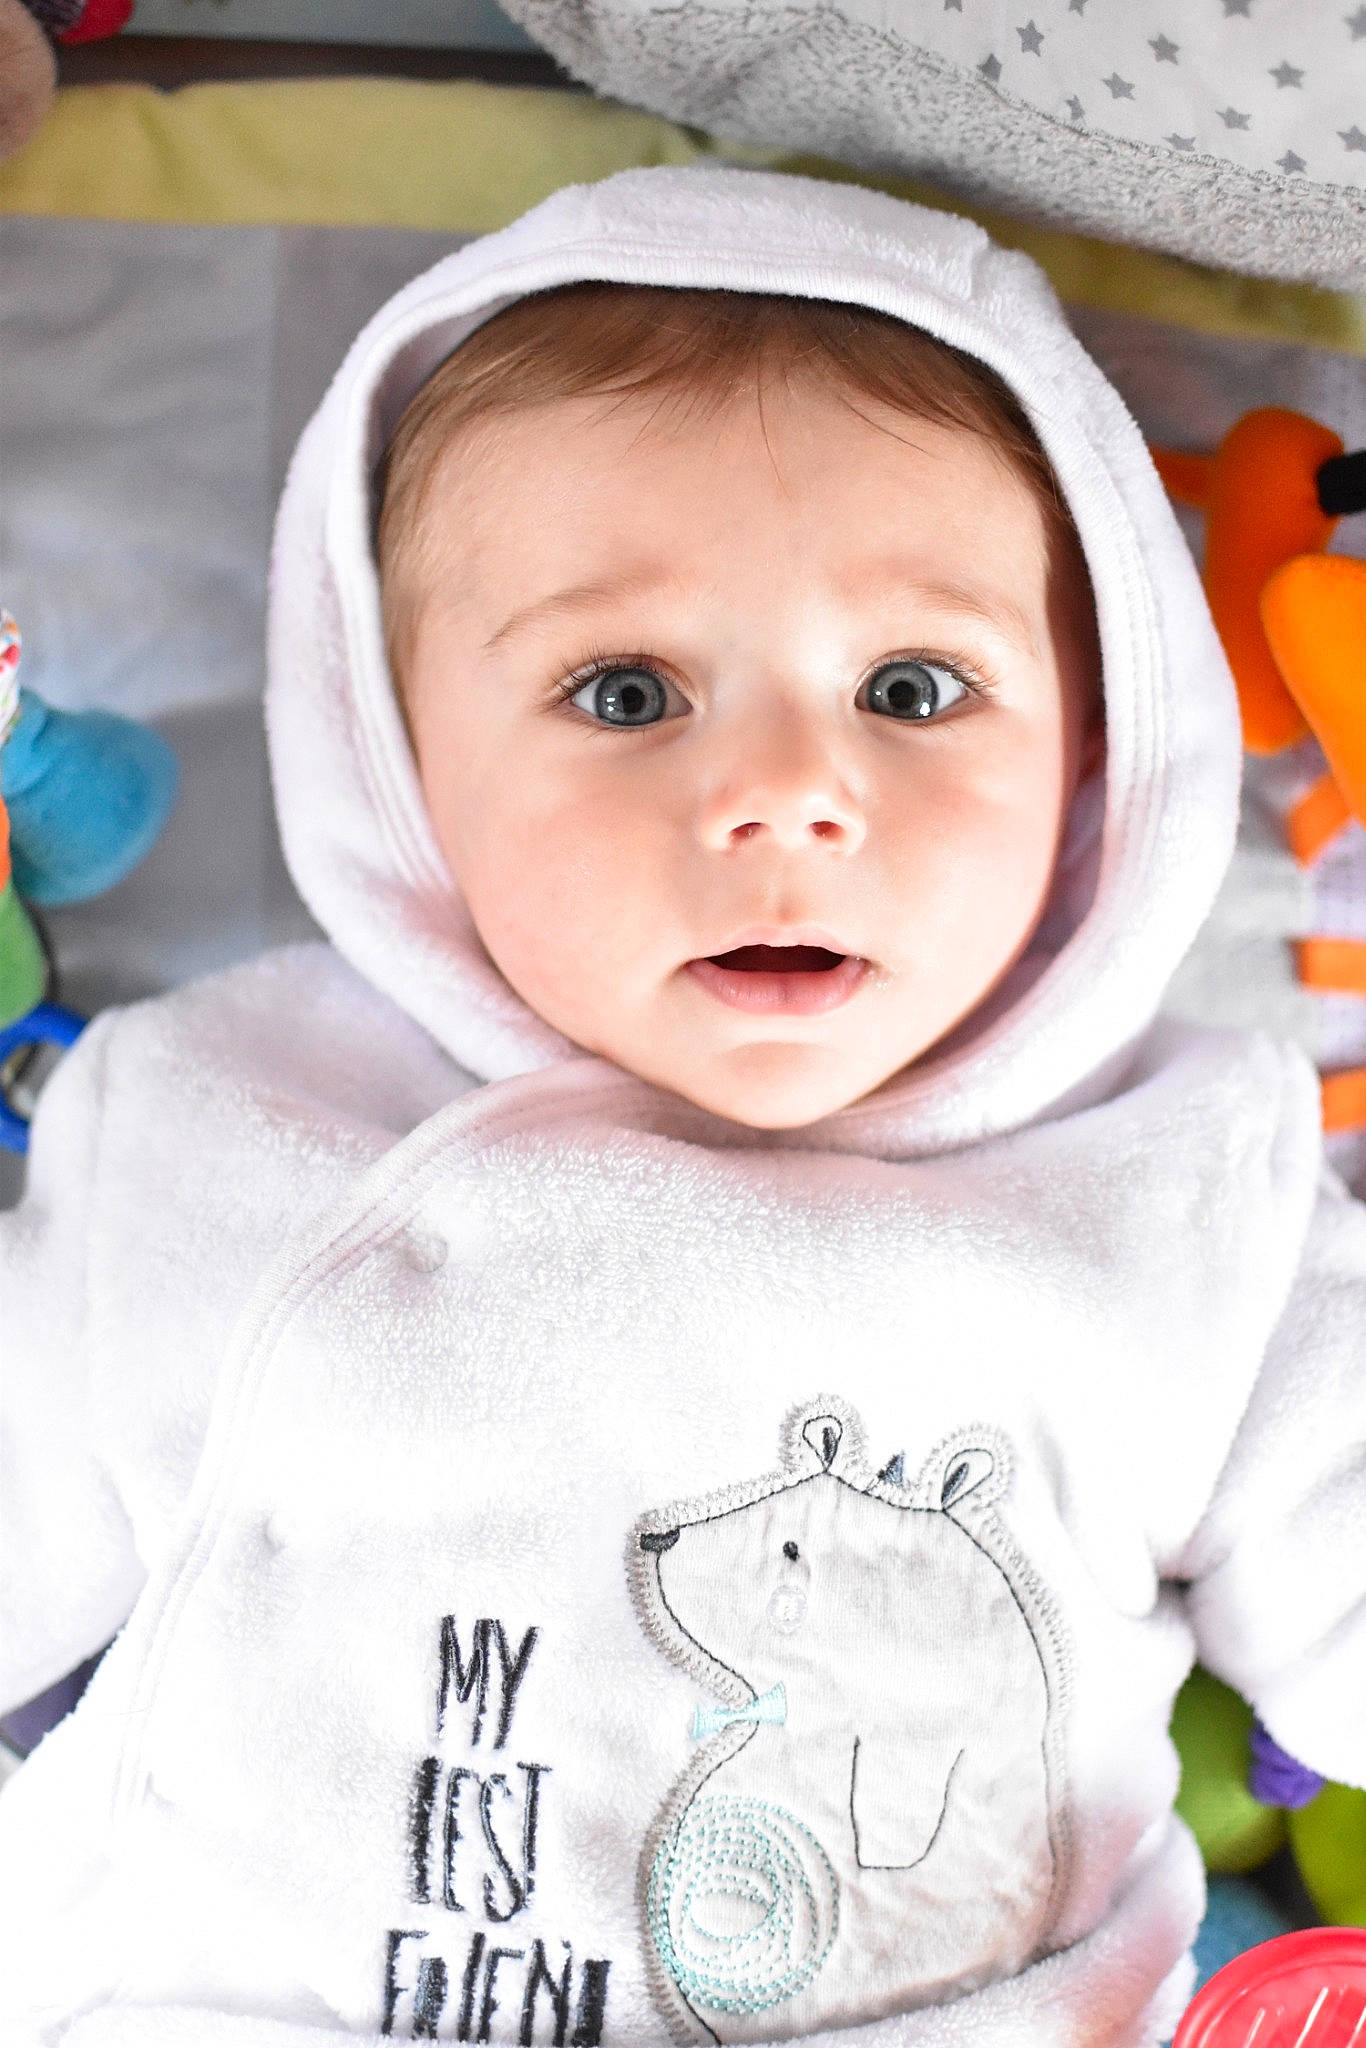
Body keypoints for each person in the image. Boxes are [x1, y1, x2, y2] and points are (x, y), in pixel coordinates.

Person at [0, 165, 1361, 2048]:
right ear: (398, 762)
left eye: (910, 685)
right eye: (626, 690)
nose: (787, 793)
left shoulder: (1185, 1195)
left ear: (1090, 760)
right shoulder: (223, 1129)